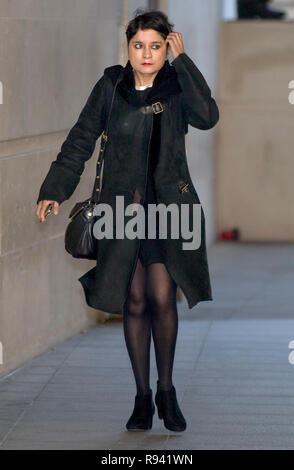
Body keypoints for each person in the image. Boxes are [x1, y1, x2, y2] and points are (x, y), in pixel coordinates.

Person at [35, 9, 219, 432]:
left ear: (166, 47)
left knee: (160, 297)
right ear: (128, 47)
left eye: (156, 46)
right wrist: (54, 188)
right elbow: (80, 138)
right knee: (133, 301)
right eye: (139, 45)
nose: (147, 54)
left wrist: (184, 62)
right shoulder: (111, 86)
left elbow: (207, 116)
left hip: (169, 211)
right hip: (120, 211)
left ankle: (166, 392)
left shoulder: (176, 87)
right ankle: (141, 398)